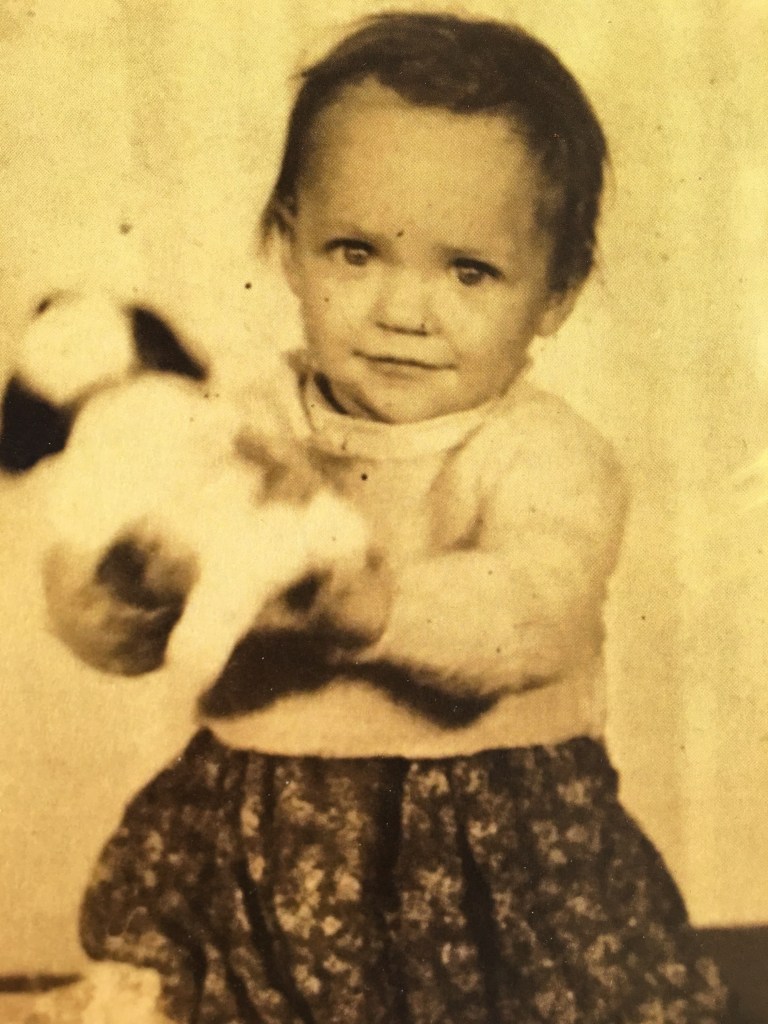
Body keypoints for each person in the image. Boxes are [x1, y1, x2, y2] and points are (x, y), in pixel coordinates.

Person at [68, 12, 730, 1023]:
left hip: (487, 853)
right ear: (287, 245)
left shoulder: (544, 452)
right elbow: (127, 615)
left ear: (556, 294)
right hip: (260, 849)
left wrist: (375, 606)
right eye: (356, 252)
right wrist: (130, 585)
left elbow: (533, 611)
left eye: (468, 271)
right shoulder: (244, 424)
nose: (403, 312)